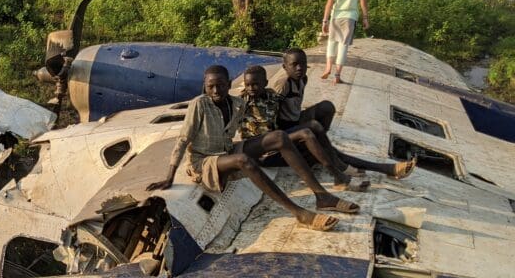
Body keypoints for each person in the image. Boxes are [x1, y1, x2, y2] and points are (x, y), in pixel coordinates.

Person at [147, 65, 349, 231]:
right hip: (204, 162)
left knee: (278, 137)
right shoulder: (199, 105)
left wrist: (267, 143)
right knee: (243, 160)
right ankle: (300, 213)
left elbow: (260, 118)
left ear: (229, 84)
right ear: (205, 87)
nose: (216, 91)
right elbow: (183, 140)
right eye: (210, 87)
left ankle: (321, 195)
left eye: (220, 86)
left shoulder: (237, 104)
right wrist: (169, 176)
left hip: (226, 151)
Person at [269, 50, 416, 179]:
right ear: (285, 67)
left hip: (295, 120)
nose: (299, 68)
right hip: (284, 128)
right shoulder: (283, 84)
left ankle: (320, 139)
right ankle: (386, 169)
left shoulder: (302, 79)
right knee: (327, 147)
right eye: (294, 64)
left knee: (326, 107)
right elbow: (271, 114)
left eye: (302, 63)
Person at [239, 65, 368, 192]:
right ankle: (339, 176)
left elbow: (287, 110)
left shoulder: (271, 96)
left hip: (279, 142)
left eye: (255, 84)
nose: (251, 88)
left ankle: (337, 164)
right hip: (263, 152)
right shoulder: (241, 102)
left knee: (315, 127)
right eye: (248, 84)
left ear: (265, 83)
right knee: (306, 134)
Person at [321, 0, 369, 84]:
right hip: (350, 18)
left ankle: (327, 68)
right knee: (343, 46)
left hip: (336, 16)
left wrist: (325, 21)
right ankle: (337, 75)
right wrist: (365, 18)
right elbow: (363, 3)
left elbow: (329, 4)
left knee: (331, 42)